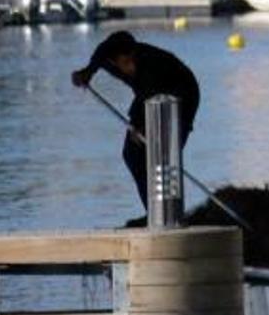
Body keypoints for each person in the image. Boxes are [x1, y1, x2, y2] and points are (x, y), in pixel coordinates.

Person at [72, 31, 200, 223]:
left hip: (182, 94)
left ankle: (171, 214)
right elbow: (100, 53)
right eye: (126, 62)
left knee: (164, 156)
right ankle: (154, 212)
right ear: (114, 62)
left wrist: (140, 126)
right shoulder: (107, 58)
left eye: (134, 59)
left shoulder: (150, 64)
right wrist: (87, 72)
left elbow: (150, 93)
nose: (132, 66)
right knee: (132, 155)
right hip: (145, 95)